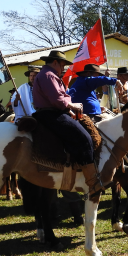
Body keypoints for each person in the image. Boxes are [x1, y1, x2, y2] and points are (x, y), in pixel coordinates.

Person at [31, 50, 103, 197]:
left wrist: (69, 107)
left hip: (53, 112)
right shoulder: (48, 75)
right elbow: (57, 100)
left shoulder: (49, 75)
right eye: (62, 64)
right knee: (84, 138)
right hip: (51, 114)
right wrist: (73, 106)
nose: (63, 68)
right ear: (55, 62)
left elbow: (60, 98)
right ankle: (92, 181)